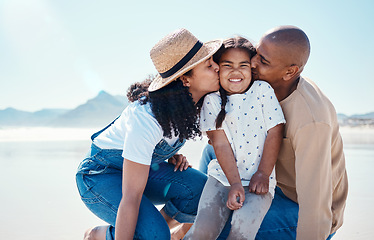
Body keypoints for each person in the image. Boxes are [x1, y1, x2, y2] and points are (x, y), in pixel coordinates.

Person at [200, 26, 348, 240]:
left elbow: (315, 206)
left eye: (263, 61)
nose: (252, 63)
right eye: (257, 54)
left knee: (225, 227)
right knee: (211, 151)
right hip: (268, 180)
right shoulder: (262, 89)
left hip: (299, 206)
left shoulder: (311, 122)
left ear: (290, 72)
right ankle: (190, 220)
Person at [75, 28, 223, 240]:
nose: (218, 67)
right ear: (185, 80)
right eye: (209, 65)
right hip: (101, 175)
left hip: (139, 172)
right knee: (153, 235)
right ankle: (98, 235)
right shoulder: (147, 118)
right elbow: (131, 197)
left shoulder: (195, 104)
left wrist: (167, 155)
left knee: (200, 191)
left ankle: (153, 233)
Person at [185, 36, 285, 240]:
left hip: (259, 181)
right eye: (227, 65)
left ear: (251, 68)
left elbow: (275, 132)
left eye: (243, 65)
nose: (236, 71)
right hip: (222, 178)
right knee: (202, 233)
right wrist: (235, 184)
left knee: (241, 231)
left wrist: (263, 173)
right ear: (217, 69)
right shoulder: (211, 101)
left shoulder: (262, 91)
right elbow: (220, 144)